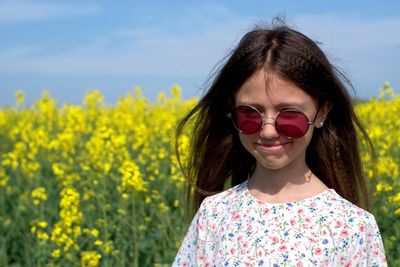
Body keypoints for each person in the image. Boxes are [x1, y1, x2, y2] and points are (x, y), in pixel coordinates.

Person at [172, 20, 387, 266]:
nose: (268, 131)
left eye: (290, 116)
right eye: (250, 114)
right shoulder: (214, 215)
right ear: (232, 111)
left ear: (322, 113)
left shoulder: (353, 227)